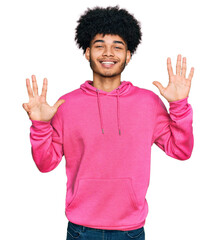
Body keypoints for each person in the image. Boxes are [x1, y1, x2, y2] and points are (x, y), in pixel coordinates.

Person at [22, 5, 194, 240]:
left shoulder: (148, 102)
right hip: (80, 229)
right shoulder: (66, 105)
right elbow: (45, 164)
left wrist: (179, 106)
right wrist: (40, 126)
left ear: (128, 55)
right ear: (87, 52)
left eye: (117, 47)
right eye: (100, 45)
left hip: (130, 230)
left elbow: (181, 150)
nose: (108, 53)